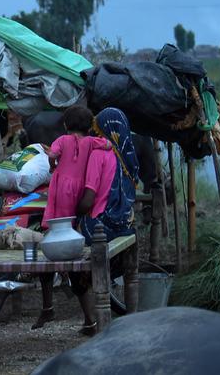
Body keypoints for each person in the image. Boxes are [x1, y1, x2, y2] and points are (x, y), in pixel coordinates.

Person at [34, 107, 138, 336]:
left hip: (99, 228)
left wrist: (72, 213)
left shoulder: (97, 155)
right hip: (124, 227)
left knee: (58, 246)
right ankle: (118, 321)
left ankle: (90, 320)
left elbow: (89, 199)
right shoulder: (125, 156)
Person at [42, 105, 109, 228]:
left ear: (65, 125)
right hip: (81, 185)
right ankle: (73, 231)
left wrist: (53, 166)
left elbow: (52, 154)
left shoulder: (62, 140)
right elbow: (107, 144)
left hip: (61, 183)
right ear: (89, 128)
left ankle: (57, 232)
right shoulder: (91, 141)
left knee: (60, 212)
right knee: (73, 213)